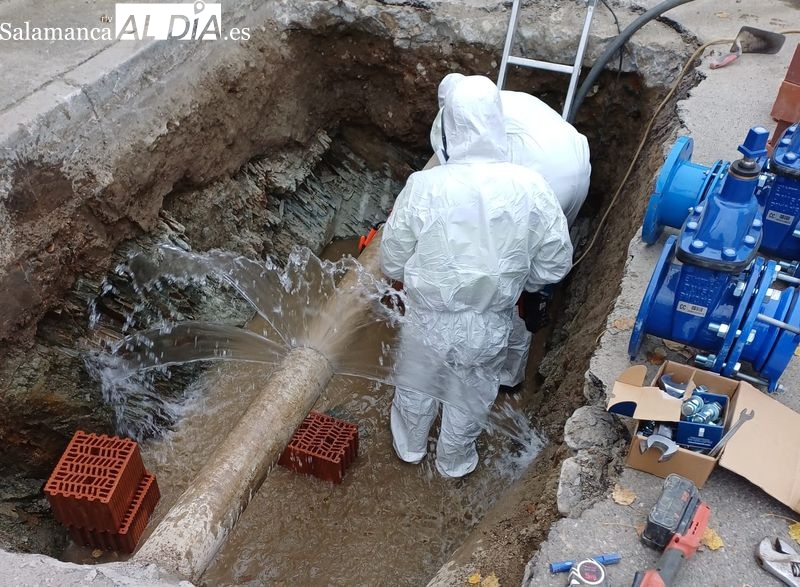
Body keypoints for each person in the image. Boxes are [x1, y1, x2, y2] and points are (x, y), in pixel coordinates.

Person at [380, 75, 572, 478]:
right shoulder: (532, 187)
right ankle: (454, 461)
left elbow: (392, 259)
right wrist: (528, 284)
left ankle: (410, 447)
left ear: (448, 126)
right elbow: (555, 263)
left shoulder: (424, 186)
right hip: (489, 321)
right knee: (469, 392)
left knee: (416, 383)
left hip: (429, 317)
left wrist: (405, 277)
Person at [430, 72, 592, 227]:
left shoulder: (464, 125)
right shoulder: (505, 99)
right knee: (556, 234)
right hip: (580, 163)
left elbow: (464, 174)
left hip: (546, 176)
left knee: (512, 241)